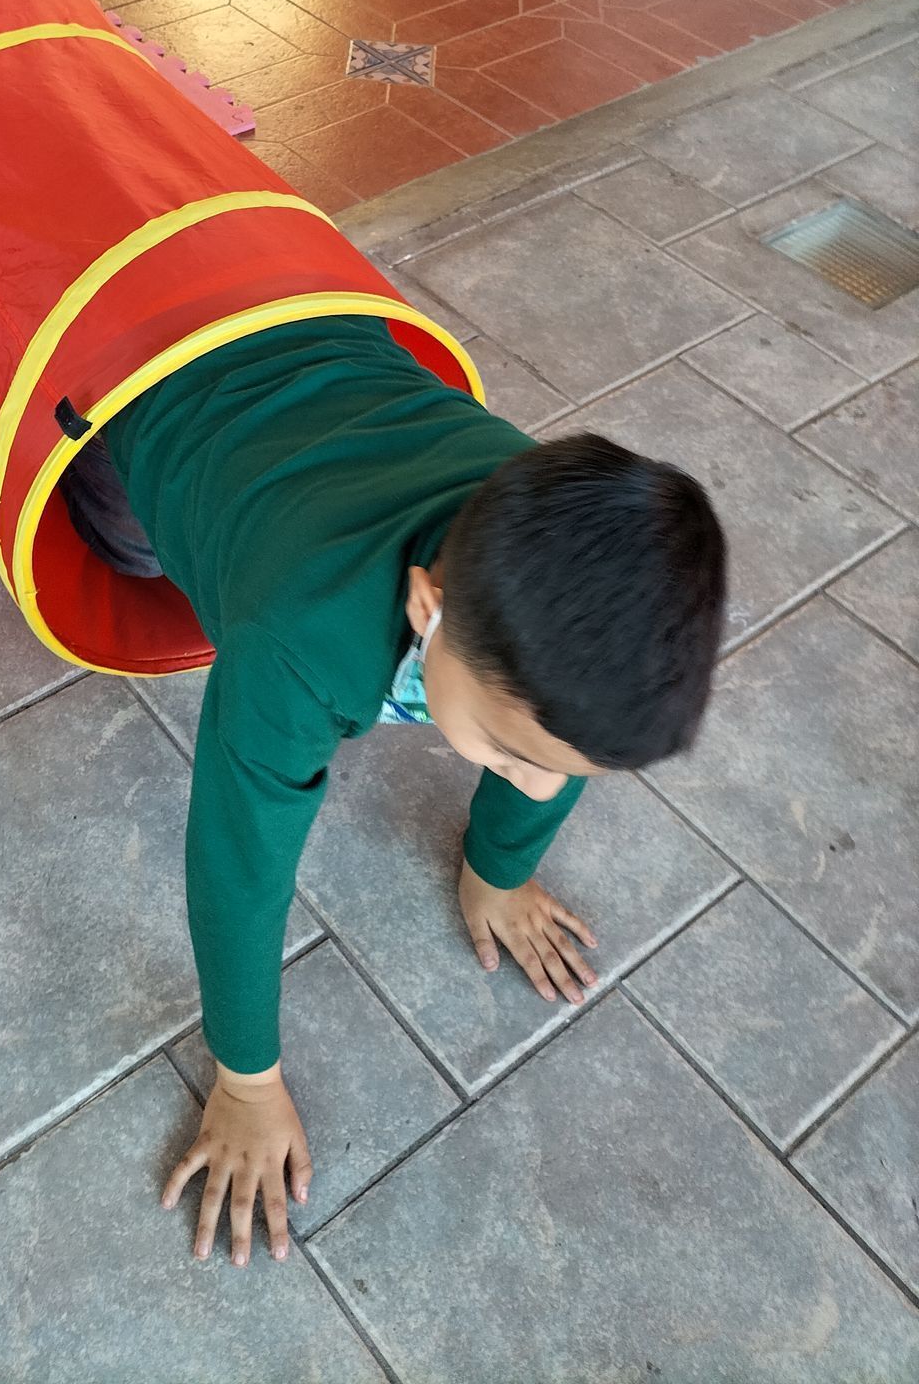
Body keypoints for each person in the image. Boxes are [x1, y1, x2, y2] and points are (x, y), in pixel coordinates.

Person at [60, 312, 726, 1270]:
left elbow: (560, 744)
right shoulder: (300, 642)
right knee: (133, 550)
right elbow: (238, 862)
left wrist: (501, 868)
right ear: (426, 607)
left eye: (561, 771)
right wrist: (246, 1080)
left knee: (543, 731)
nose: (537, 782)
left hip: (314, 331)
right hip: (146, 389)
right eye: (506, 750)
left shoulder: (534, 533)